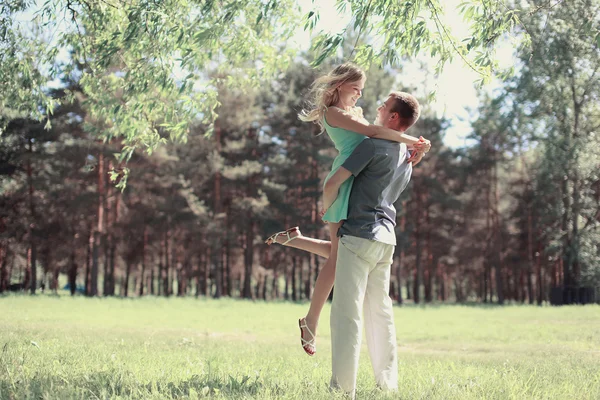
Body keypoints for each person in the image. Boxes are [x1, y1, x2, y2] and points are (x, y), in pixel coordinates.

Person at [264, 62, 429, 356]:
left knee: (345, 253)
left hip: (357, 178)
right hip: (343, 180)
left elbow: (377, 135)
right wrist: (413, 141)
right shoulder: (333, 113)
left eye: (362, 90)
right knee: (339, 259)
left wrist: (411, 149)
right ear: (340, 85)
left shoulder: (354, 111)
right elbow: (373, 132)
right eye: (356, 89)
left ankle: (294, 241)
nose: (360, 95)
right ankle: (310, 321)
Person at [324, 93, 416, 397]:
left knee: (346, 314)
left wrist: (326, 210)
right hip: (386, 239)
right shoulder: (407, 155)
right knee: (381, 314)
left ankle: (342, 390)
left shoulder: (372, 144)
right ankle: (388, 386)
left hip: (358, 235)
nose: (377, 108)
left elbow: (334, 181)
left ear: (392, 118)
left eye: (383, 106)